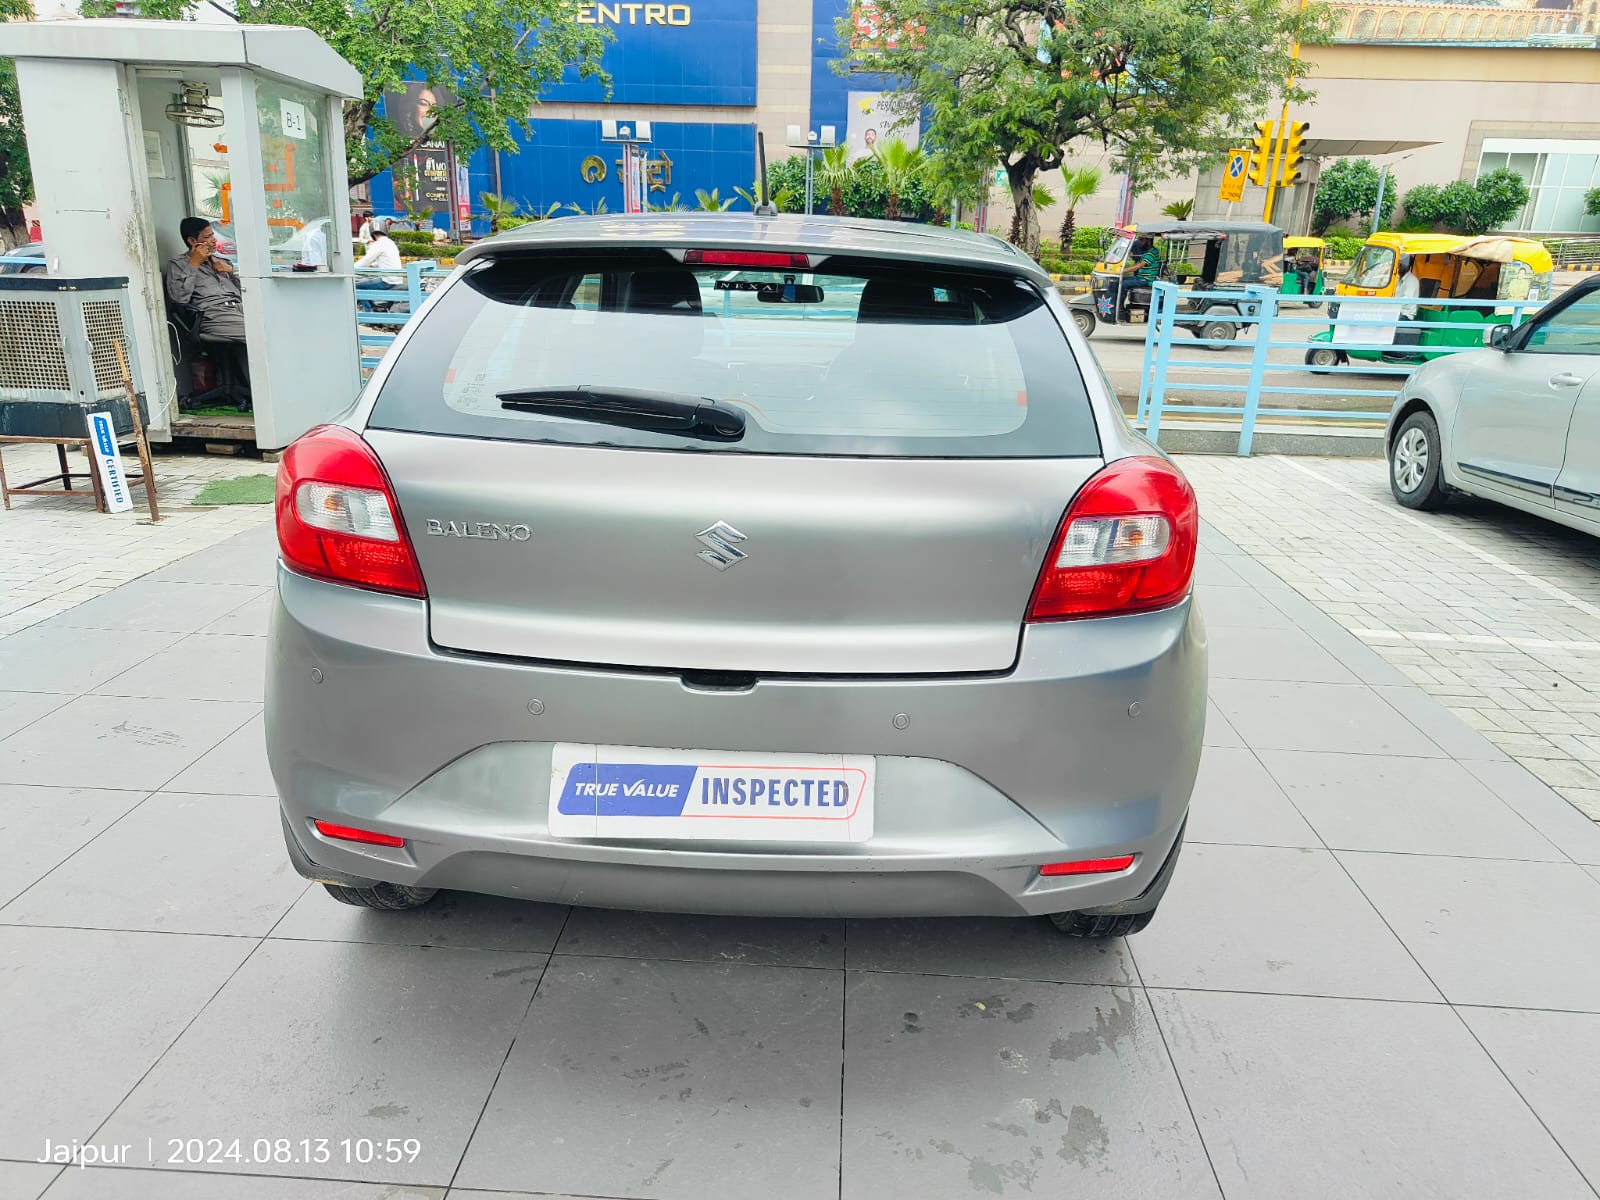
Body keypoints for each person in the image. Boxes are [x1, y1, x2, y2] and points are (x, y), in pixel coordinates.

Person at [165, 216, 250, 398]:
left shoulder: (220, 261)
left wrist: (232, 272)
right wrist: (193, 265)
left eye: (213, 235)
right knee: (257, 333)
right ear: (192, 241)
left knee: (276, 325)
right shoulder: (178, 264)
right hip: (212, 314)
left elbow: (248, 291)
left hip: (240, 308)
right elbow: (179, 298)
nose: (214, 240)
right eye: (208, 236)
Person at [356, 218, 404, 311]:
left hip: (387, 281)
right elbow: (384, 259)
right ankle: (374, 309)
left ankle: (369, 313)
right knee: (366, 282)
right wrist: (373, 265)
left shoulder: (378, 244)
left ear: (372, 233)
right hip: (397, 279)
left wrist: (350, 268)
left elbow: (365, 260)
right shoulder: (390, 243)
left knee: (357, 286)